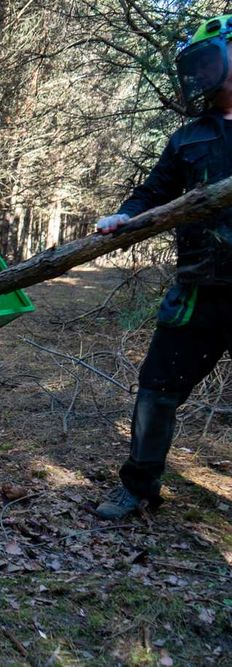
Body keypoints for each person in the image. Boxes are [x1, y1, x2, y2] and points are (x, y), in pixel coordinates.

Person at [95, 15, 232, 519]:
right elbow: (152, 194)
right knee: (157, 390)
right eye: (194, 67)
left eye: (207, 62)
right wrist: (124, 216)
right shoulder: (188, 138)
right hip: (199, 290)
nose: (200, 74)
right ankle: (139, 487)